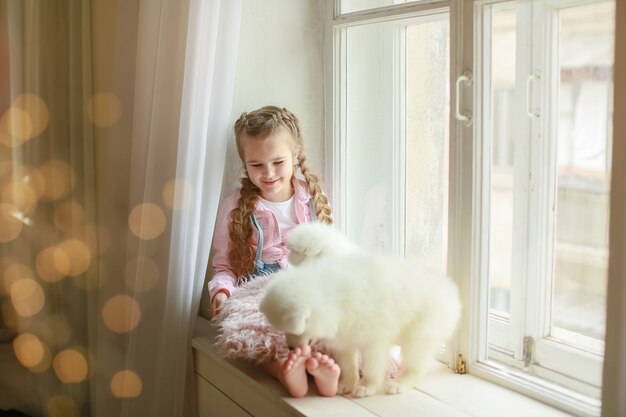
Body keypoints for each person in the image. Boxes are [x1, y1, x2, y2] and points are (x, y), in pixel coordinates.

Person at [208, 105, 340, 398]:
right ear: (245, 163)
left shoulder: (312, 200)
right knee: (255, 330)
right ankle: (284, 369)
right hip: (260, 292)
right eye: (256, 165)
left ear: (295, 156)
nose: (268, 173)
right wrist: (221, 291)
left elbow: (332, 256)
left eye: (278, 162)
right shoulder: (234, 207)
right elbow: (224, 267)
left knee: (326, 319)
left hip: (307, 287)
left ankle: (325, 371)